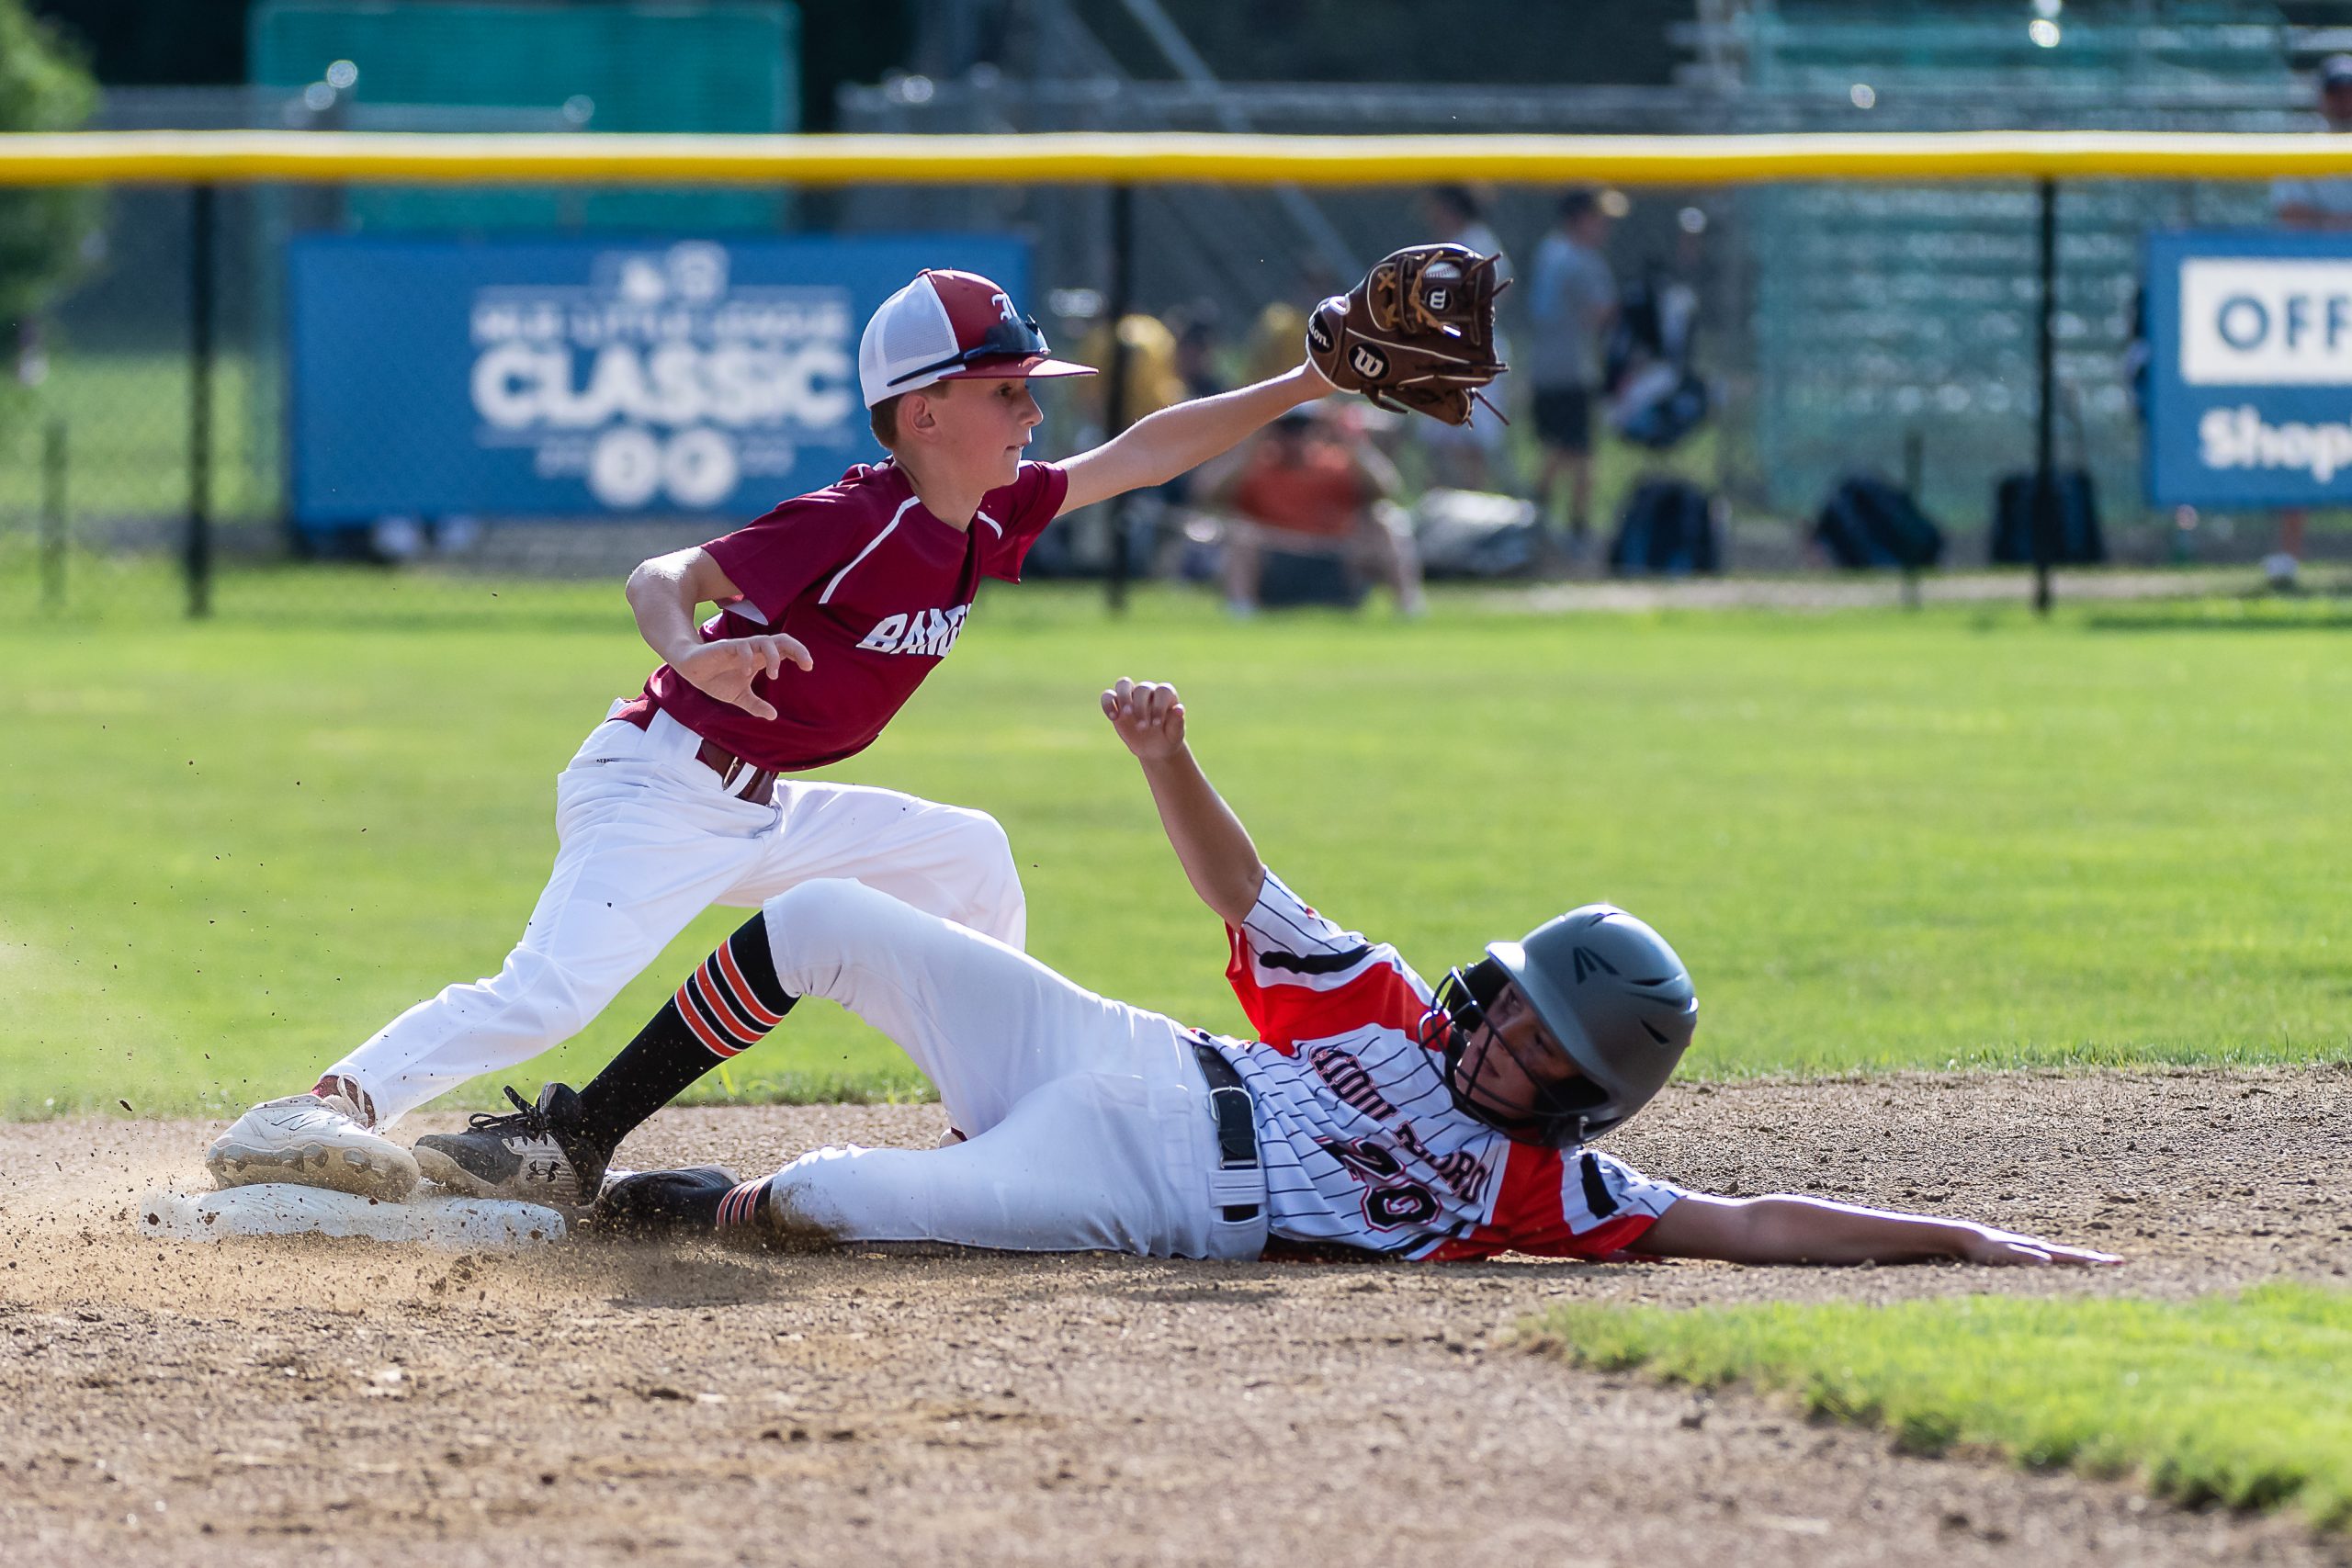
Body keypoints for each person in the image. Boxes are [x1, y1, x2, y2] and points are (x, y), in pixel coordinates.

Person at [205, 266, 1341, 1205]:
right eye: (1006, 390)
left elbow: (1140, 456)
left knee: (968, 855)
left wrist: (1302, 378)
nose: (1032, 413)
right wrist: (689, 648)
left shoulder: (982, 516)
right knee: (546, 993)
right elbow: (666, 573)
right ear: (924, 412)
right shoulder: (853, 519)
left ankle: (993, 1133)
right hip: (659, 789)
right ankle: (321, 1106)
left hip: (762, 805)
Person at [417, 679, 2120, 1274]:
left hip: (1145, 1182)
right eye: (1514, 994)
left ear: (1587, 1093)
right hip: (1129, 1053)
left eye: (1540, 1038)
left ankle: (641, 1214)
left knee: (832, 1206)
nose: (1500, 1027)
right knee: (821, 920)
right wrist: (1170, 758)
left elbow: (1748, 1223)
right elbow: (1248, 891)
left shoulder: (1553, 1188)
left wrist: (1967, 1239)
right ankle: (576, 1134)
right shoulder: (1383, 1011)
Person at [2263, 54, 2352, 589]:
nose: (2345, 101)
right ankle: (2286, 560)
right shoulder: (2300, 154)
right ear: (2321, 99)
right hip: (2312, 321)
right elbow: (2291, 223)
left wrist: (2328, 225)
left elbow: (2311, 222)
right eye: (2337, 91)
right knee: (2298, 433)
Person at [1202, 405, 1424, 616]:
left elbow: (1389, 489)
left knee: (1386, 520)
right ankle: (1240, 611)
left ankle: (1408, 607)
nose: (1295, 436)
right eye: (1287, 428)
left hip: (1334, 562)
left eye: (1303, 427)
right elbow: (1206, 494)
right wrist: (1251, 441)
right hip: (1278, 564)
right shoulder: (1257, 466)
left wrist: (1350, 438)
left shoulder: (1337, 464)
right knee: (1240, 532)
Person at [1528, 187, 1621, 561]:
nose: (1604, 228)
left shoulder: (1549, 251)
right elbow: (1600, 313)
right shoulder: (1583, 259)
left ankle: (1534, 521)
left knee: (1556, 447)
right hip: (1574, 368)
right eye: (1599, 219)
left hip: (1544, 365)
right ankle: (1576, 530)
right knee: (1580, 455)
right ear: (1580, 218)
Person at [1412, 185, 1515, 492]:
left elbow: (1497, 294)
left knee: (1472, 447)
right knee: (1439, 445)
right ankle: (1438, 515)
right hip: (1444, 351)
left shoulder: (1476, 241)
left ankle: (1471, 519)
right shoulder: (1449, 244)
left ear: (1451, 208)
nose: (1432, 216)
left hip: (1472, 352)